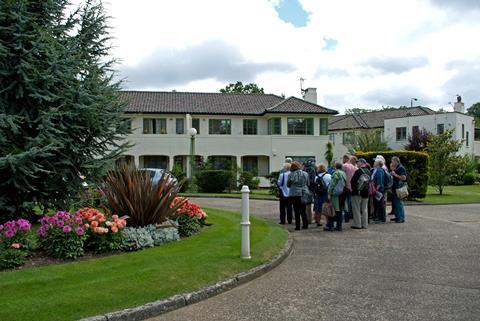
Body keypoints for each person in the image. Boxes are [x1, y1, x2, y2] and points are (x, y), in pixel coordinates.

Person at [325, 161, 347, 231]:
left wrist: (329, 193)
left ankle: (330, 226)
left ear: (335, 167)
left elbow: (332, 184)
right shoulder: (343, 173)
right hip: (342, 193)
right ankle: (339, 226)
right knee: (340, 210)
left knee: (332, 209)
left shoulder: (336, 173)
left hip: (335, 194)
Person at [287, 161, 309, 230]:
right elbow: (308, 183)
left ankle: (298, 226)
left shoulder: (291, 174)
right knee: (303, 210)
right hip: (304, 192)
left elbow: (288, 185)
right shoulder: (305, 173)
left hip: (294, 193)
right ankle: (305, 225)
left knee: (296, 210)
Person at [350, 158, 370, 229]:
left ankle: (357, 224)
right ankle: (365, 224)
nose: (357, 163)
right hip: (366, 193)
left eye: (358, 162)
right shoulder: (368, 171)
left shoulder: (358, 171)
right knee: (364, 209)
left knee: (356, 209)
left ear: (362, 163)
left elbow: (352, 182)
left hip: (357, 193)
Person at [390, 156, 407, 223]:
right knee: (396, 203)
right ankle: (397, 217)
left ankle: (401, 218)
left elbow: (404, 178)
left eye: (392, 161)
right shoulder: (397, 168)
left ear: (396, 161)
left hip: (399, 188)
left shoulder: (401, 168)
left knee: (399, 203)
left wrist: (395, 174)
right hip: (395, 188)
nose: (391, 162)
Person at [342, 155, 357, 223]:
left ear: (345, 159)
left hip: (346, 187)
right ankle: (351, 215)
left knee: (346, 203)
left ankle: (346, 217)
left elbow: (342, 177)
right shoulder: (354, 167)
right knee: (351, 202)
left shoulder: (344, 166)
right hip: (352, 187)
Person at [372, 158, 386, 224]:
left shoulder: (379, 170)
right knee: (379, 204)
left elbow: (379, 182)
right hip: (379, 189)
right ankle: (380, 218)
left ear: (378, 164)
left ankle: (382, 219)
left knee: (380, 204)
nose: (374, 163)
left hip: (379, 190)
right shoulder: (379, 170)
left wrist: (376, 189)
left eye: (375, 162)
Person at [303, 158, 317, 224]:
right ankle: (310, 219)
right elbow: (313, 180)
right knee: (310, 204)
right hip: (311, 189)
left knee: (306, 205)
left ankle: (306, 219)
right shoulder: (313, 169)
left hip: (305, 188)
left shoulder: (304, 169)